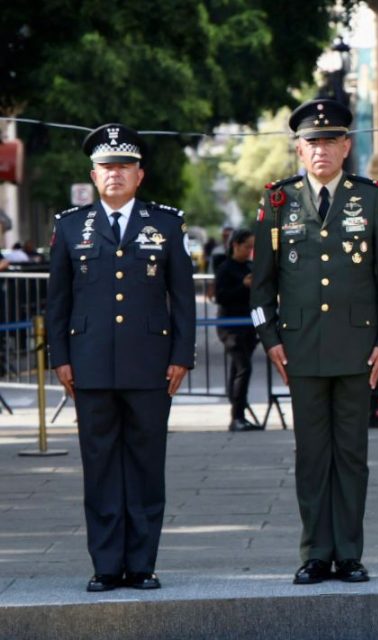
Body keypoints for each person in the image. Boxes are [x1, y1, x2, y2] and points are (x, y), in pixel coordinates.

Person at [250, 99, 378, 585]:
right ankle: (317, 552)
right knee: (312, 454)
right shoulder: (277, 201)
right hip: (301, 350)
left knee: (352, 455)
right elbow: (261, 285)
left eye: (330, 141)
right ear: (298, 149)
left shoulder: (373, 199)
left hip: (359, 349)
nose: (321, 150)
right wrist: (270, 338)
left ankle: (350, 553)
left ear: (346, 147)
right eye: (312, 142)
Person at [47, 123, 196, 592]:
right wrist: (60, 357)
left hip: (151, 365)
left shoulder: (167, 224)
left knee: (147, 465)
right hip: (89, 365)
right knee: (100, 466)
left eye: (124, 167)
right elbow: (58, 300)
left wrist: (182, 356)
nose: (115, 174)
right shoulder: (70, 226)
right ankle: (107, 565)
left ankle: (142, 564)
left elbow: (184, 297)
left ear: (139, 175)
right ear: (93, 176)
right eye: (106, 167)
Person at [216, 229, 260, 432]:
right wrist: (243, 286)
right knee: (244, 368)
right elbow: (221, 296)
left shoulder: (251, 267)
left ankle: (239, 412)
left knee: (239, 370)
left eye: (252, 248)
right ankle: (237, 416)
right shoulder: (225, 268)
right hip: (231, 327)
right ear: (236, 245)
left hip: (249, 325)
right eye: (247, 247)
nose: (249, 251)